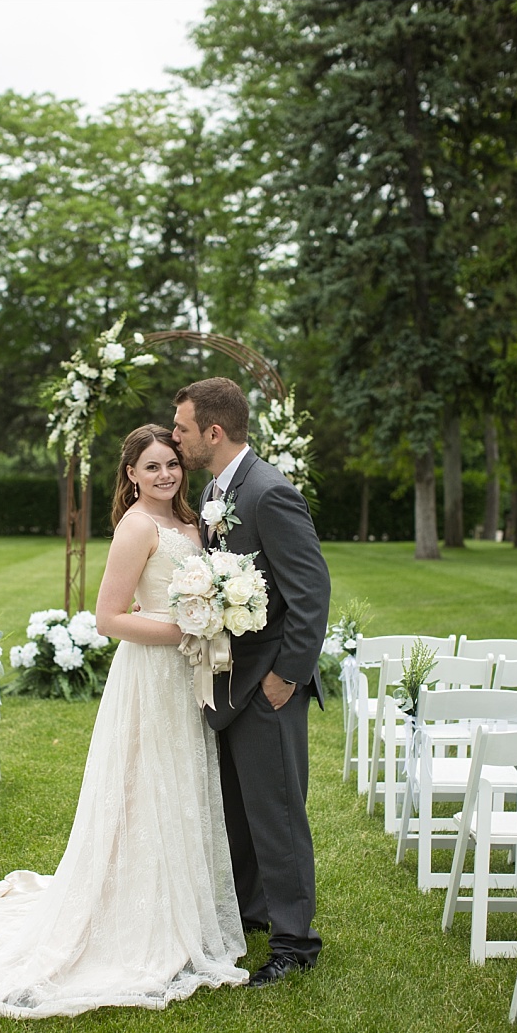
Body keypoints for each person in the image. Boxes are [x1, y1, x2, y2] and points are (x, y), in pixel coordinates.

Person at [0, 424, 249, 1019]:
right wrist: (186, 629)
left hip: (185, 674)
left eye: (171, 463)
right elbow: (110, 617)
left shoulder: (193, 525)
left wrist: (214, 617)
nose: (165, 475)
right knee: (140, 785)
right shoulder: (136, 526)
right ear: (131, 475)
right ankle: (127, 913)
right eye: (152, 467)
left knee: (179, 783)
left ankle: (176, 902)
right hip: (149, 672)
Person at [172, 377, 331, 987]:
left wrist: (285, 678)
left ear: (213, 432)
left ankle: (296, 943)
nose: (177, 437)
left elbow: (310, 592)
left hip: (268, 685)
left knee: (278, 812)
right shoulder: (219, 490)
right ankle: (253, 911)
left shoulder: (269, 493)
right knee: (239, 809)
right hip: (231, 684)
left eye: (182, 428)